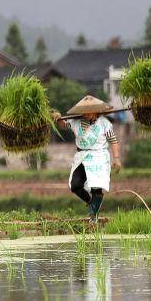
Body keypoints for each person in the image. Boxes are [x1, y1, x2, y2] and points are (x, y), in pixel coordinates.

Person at [53, 95, 122, 224]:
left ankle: (93, 217)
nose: (85, 115)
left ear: (95, 110)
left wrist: (116, 158)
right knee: (75, 185)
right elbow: (63, 125)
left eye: (88, 112)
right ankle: (92, 204)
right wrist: (57, 119)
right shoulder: (75, 122)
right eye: (83, 112)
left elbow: (113, 141)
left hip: (99, 157)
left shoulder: (104, 124)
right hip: (83, 157)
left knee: (97, 186)